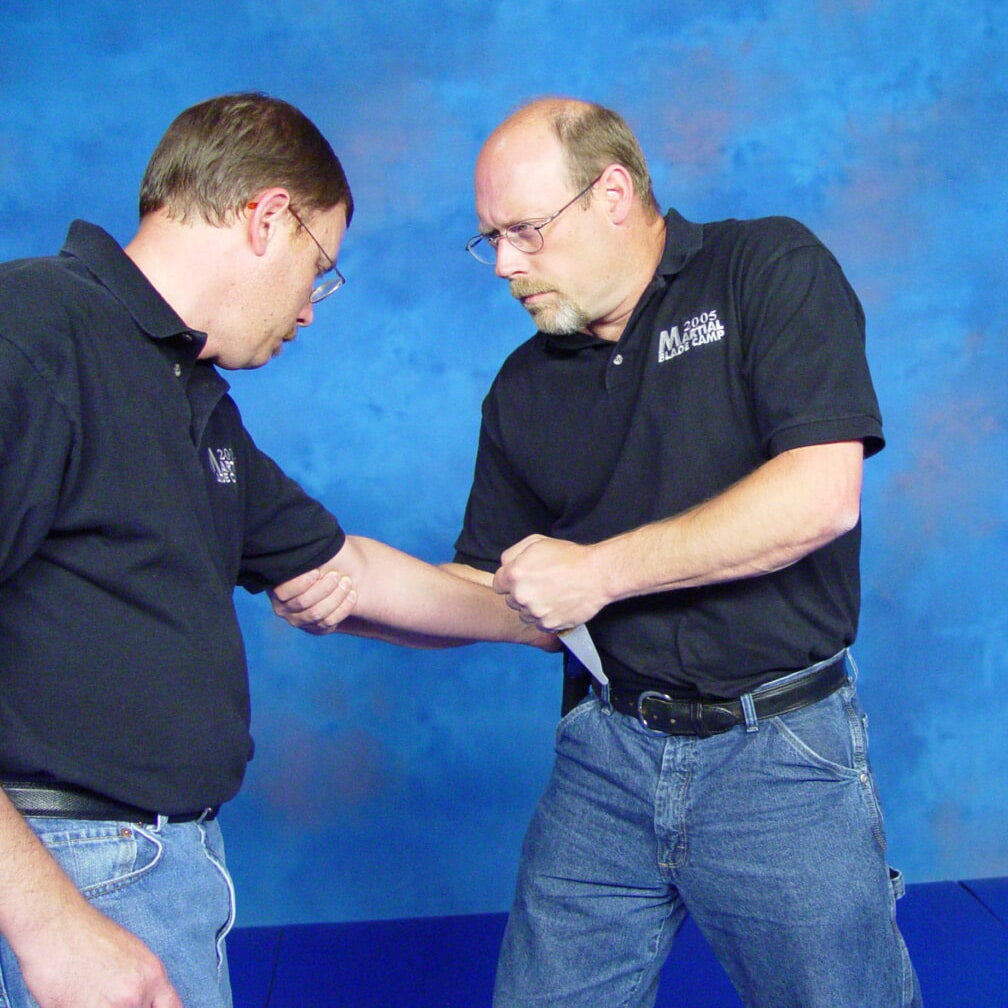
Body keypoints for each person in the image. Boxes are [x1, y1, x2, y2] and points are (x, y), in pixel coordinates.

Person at [0, 92, 552, 1008]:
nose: (308, 312)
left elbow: (351, 575)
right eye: (319, 270)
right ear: (267, 218)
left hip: (163, 867)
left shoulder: (191, 394)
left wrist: (552, 622)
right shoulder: (36, 330)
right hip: (59, 871)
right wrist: (49, 924)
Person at [447, 97, 922, 1007]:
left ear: (613, 192)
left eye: (525, 231)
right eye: (490, 241)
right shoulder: (521, 387)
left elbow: (821, 496)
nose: (506, 265)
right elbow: (497, 594)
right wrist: (346, 582)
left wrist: (596, 571)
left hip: (779, 751)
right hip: (605, 754)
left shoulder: (766, 267)